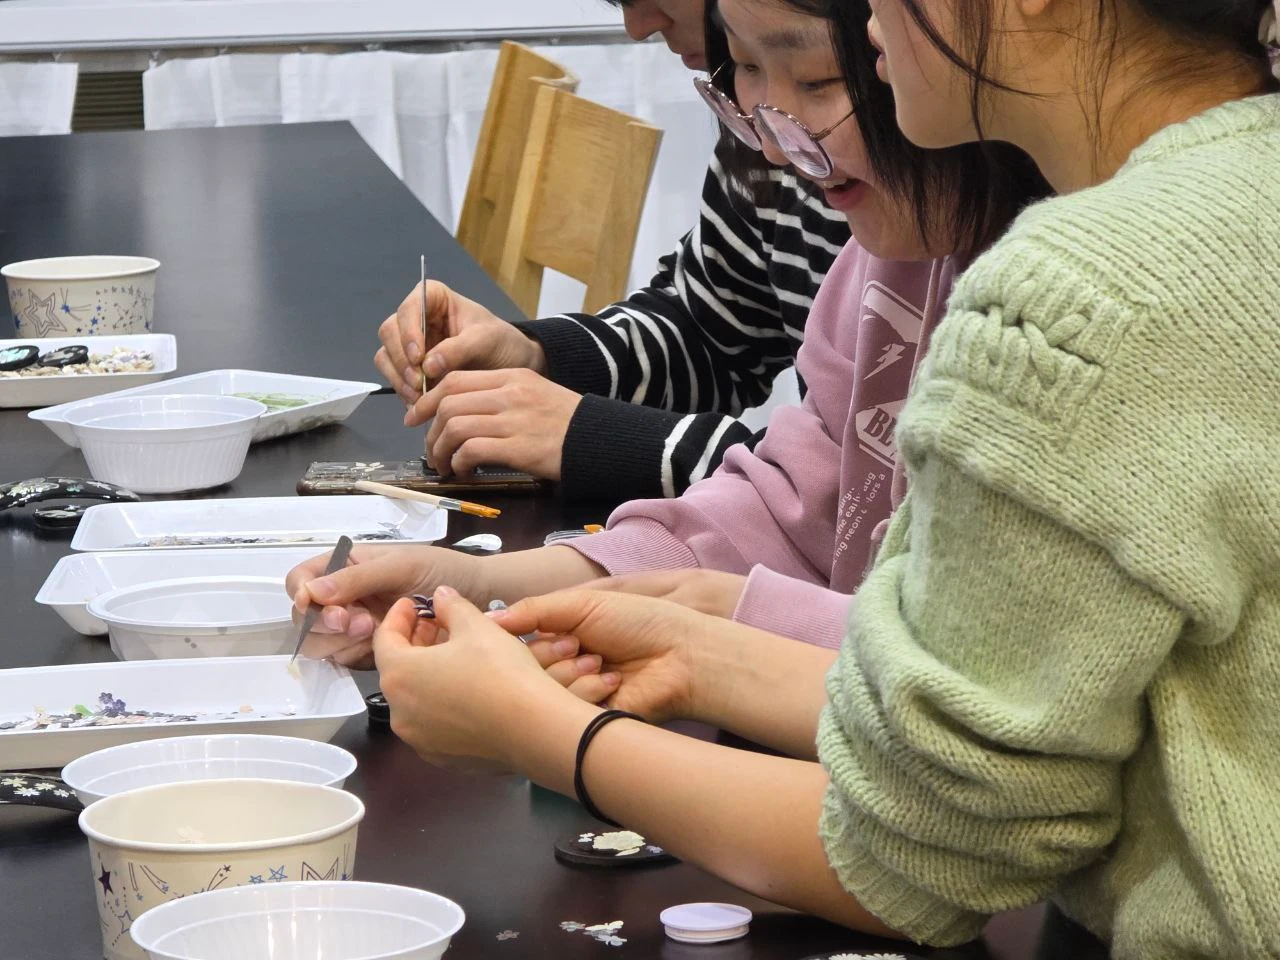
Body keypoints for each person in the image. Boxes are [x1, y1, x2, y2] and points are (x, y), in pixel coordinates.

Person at [367, 0, 1280, 953]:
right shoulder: (1204, 201)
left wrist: (545, 733)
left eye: (818, 76)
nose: (873, 23)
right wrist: (689, 641)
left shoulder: (1070, 298)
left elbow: (925, 855)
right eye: (745, 79)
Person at [286, 0, 1046, 666]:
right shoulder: (883, 249)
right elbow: (789, 491)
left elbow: (951, 685)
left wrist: (615, 707)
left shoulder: (981, 259)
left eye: (817, 80)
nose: (772, 145)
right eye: (743, 70)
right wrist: (472, 585)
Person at [376, 0, 853, 502]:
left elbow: (866, 488)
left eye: (815, 80)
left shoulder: (892, 211)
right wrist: (539, 356)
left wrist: (599, 438)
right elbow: (710, 332)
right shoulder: (767, 142)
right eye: (745, 66)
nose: (636, 28)